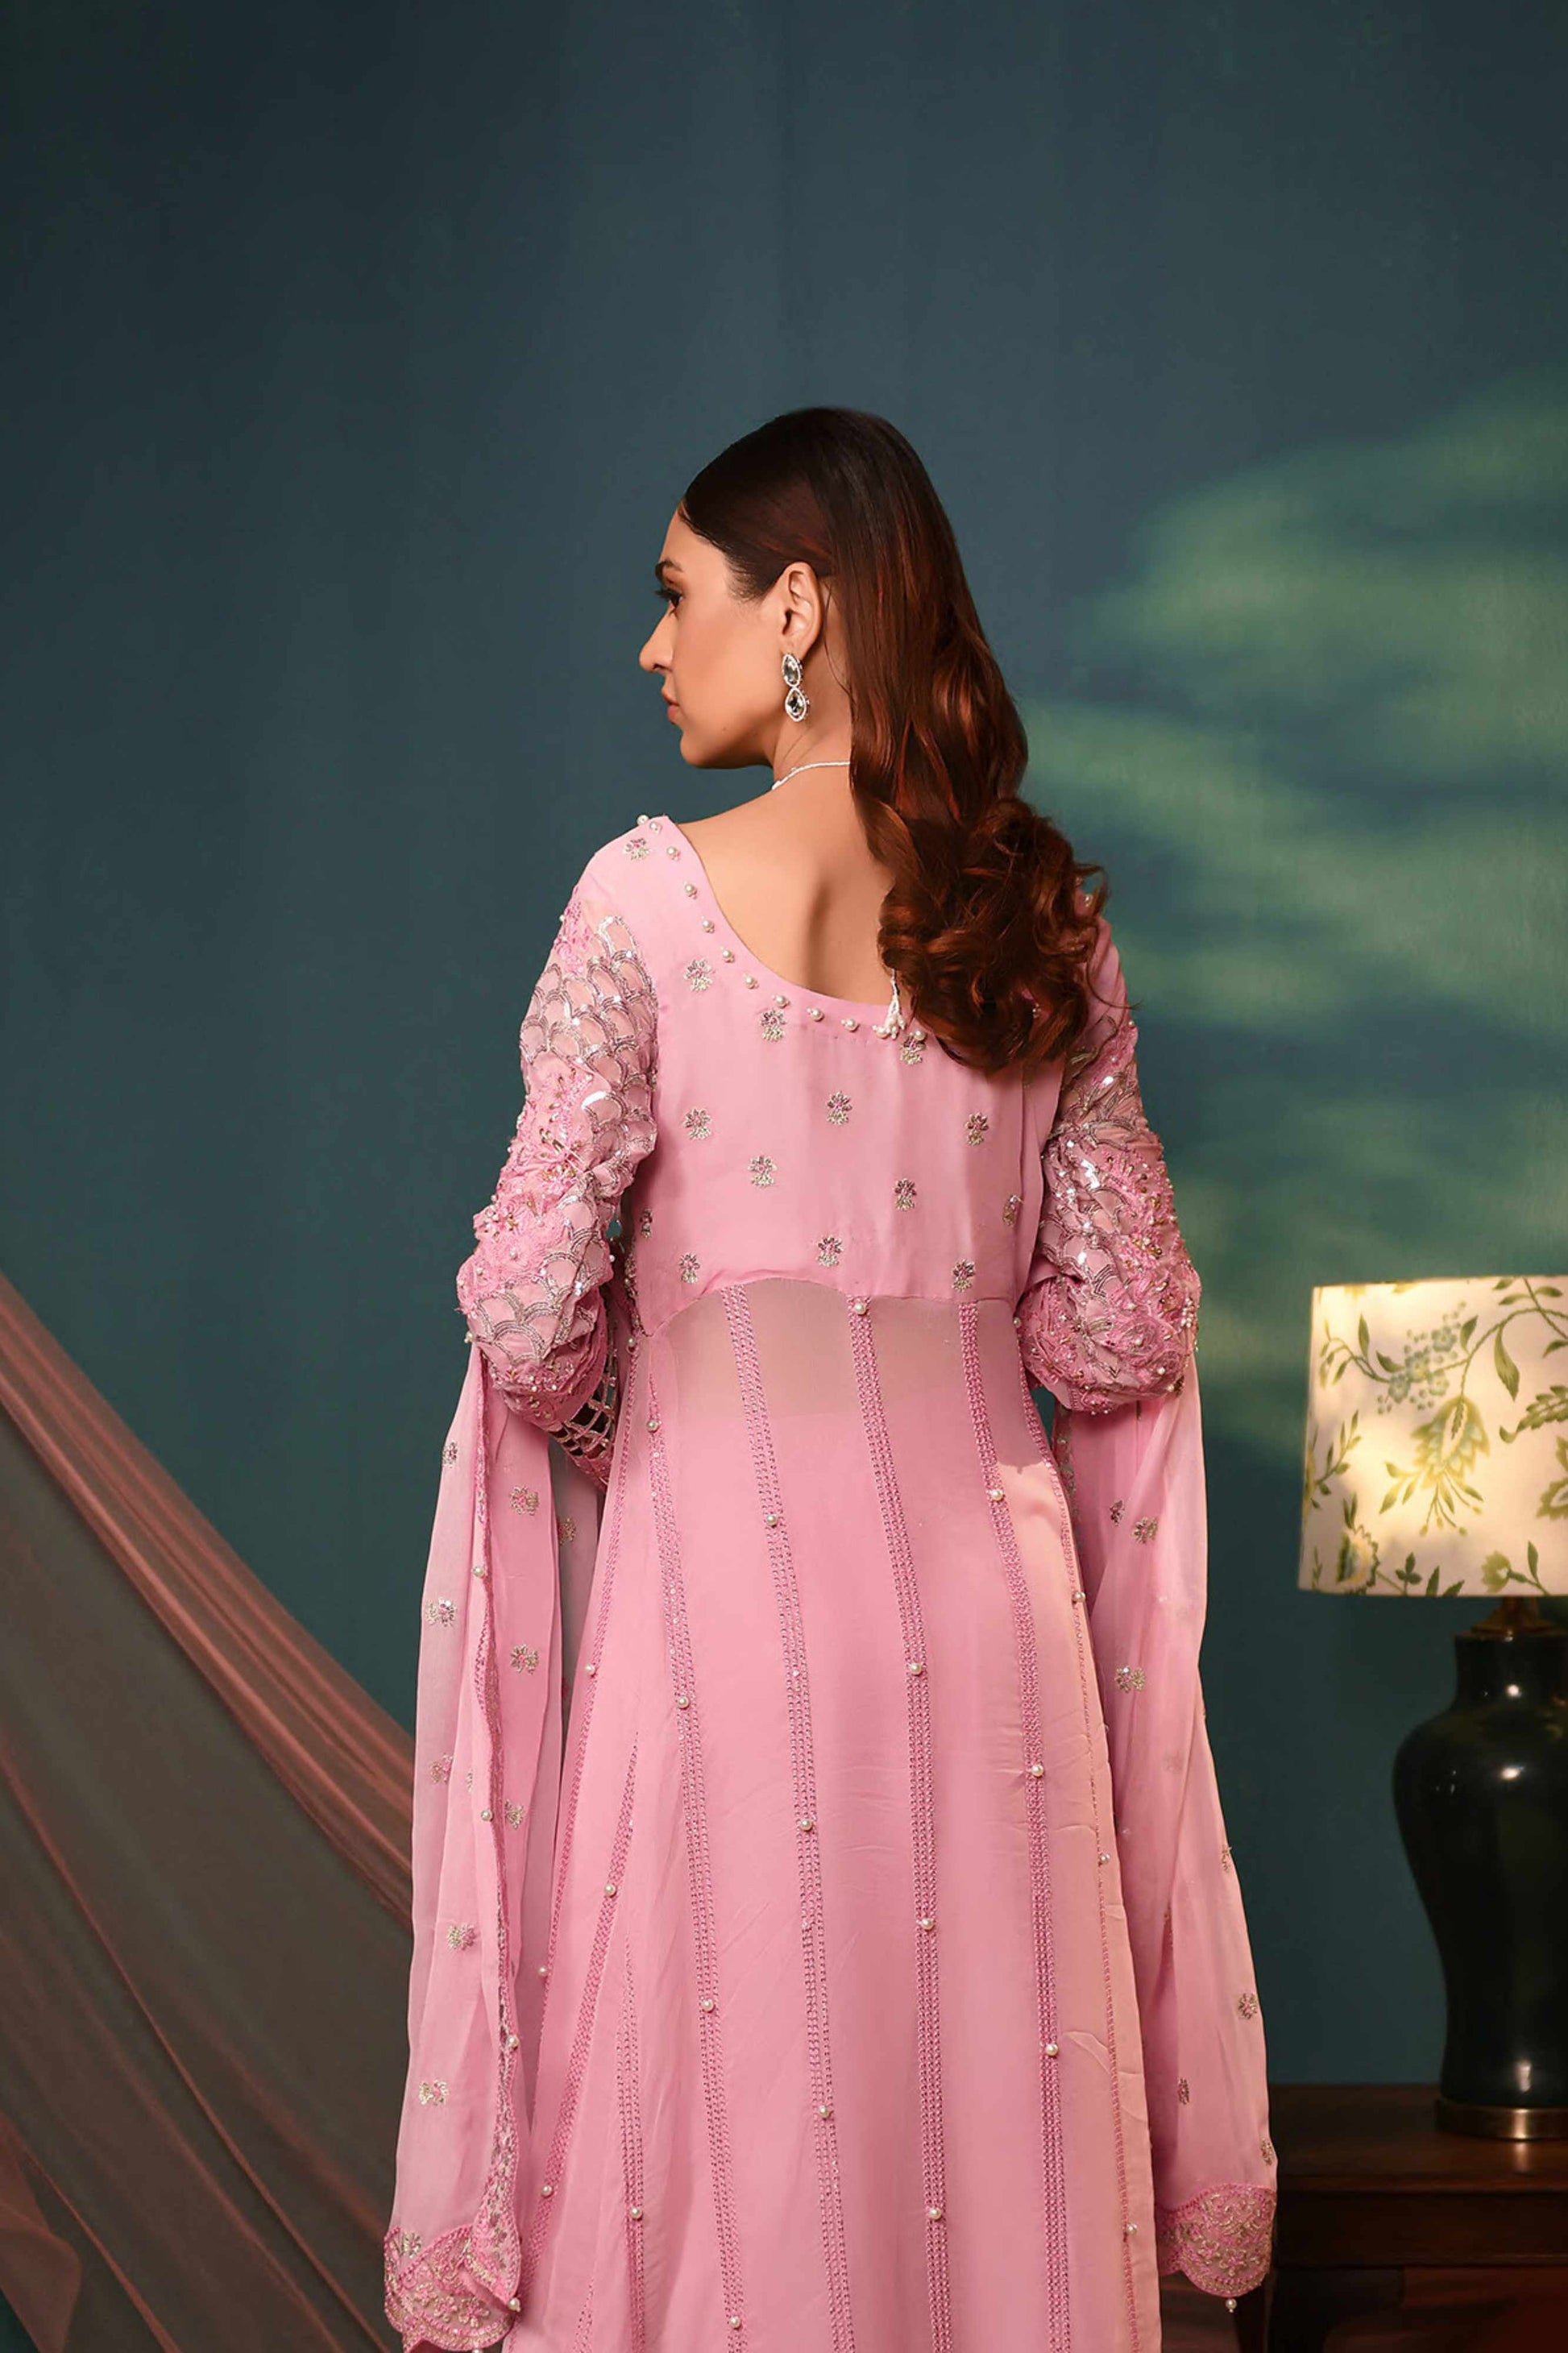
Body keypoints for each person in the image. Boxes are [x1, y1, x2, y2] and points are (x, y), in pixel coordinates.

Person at [384, 408, 1276, 2352]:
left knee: (724, 2158)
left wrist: (669, 1404)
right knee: (983, 2149)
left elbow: (526, 1320)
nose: (650, 645)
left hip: (718, 1622)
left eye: (673, 594)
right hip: (995, 1637)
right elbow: (1114, 1332)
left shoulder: (639, 904)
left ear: (792, 604)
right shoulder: (1040, 926)